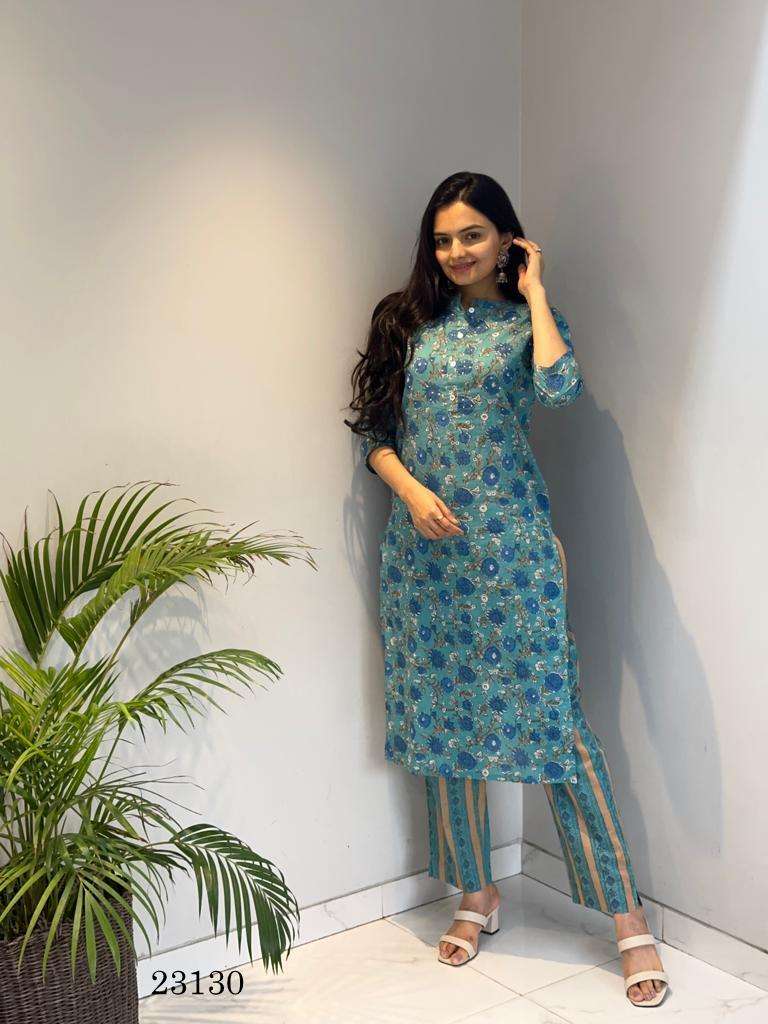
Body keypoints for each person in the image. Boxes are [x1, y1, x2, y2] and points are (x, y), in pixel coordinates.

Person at [346, 172, 669, 1007]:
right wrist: (411, 492)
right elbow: (374, 431)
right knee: (446, 725)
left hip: (513, 555)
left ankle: (627, 918)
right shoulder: (406, 324)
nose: (455, 252)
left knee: (558, 727)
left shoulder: (530, 324)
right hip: (424, 561)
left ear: (506, 240)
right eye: (443, 239)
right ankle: (476, 893)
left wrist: (535, 293)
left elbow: (560, 389)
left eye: (473, 236)